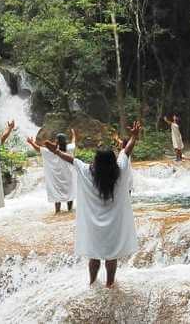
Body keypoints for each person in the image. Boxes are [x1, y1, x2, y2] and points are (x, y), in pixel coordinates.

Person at [43, 121, 142, 288]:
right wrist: (134, 136)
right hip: (114, 225)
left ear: (96, 160)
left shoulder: (87, 171)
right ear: (112, 161)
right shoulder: (120, 169)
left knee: (94, 256)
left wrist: (57, 151)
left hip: (93, 225)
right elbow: (127, 150)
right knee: (111, 256)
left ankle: (92, 282)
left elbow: (71, 160)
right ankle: (110, 283)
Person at [26, 129, 77, 213]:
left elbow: (38, 149)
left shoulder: (49, 151)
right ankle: (70, 211)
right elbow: (73, 142)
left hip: (56, 178)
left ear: (56, 141)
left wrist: (31, 142)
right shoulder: (69, 148)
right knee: (69, 192)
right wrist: (74, 134)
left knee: (57, 194)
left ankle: (57, 213)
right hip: (68, 176)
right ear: (65, 141)